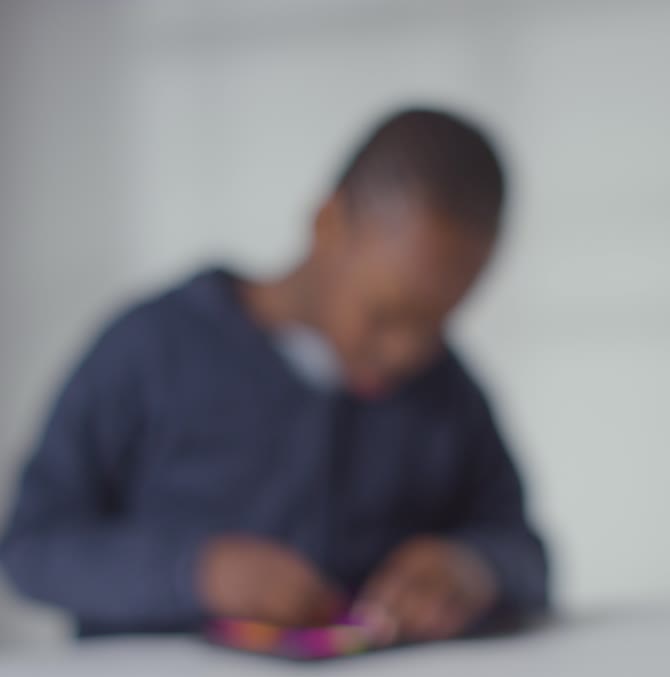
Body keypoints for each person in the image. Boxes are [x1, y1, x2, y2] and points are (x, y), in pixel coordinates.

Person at [0, 108, 550, 640]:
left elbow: (526, 552)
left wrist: (474, 568)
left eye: (439, 322)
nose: (406, 352)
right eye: (386, 316)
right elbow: (31, 547)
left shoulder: (447, 389)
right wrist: (195, 572)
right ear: (328, 224)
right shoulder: (151, 349)